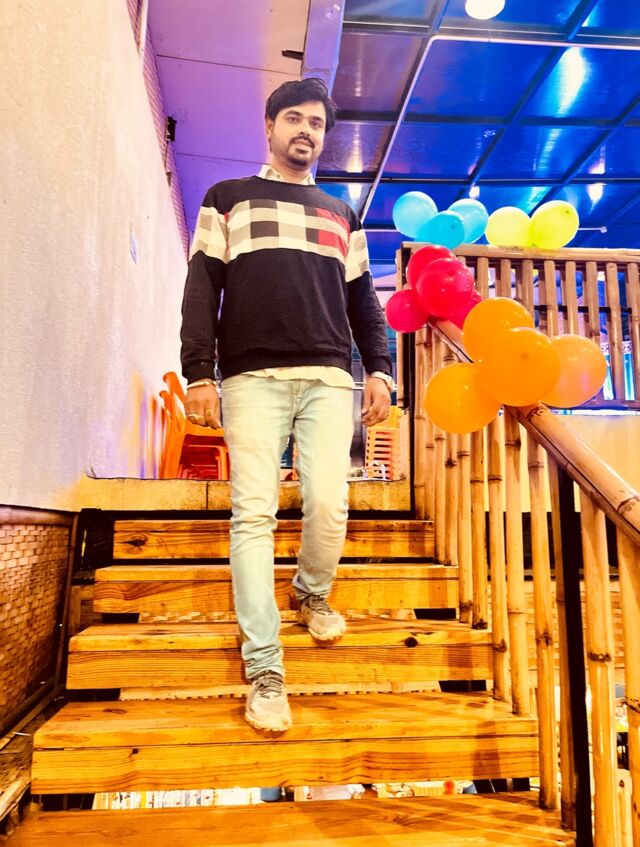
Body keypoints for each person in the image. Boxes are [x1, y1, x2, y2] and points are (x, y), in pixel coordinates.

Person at [180, 77, 393, 732]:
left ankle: (310, 593)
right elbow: (201, 287)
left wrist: (380, 369)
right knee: (254, 513)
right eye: (294, 118)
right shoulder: (227, 198)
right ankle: (265, 668)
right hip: (250, 379)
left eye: (317, 123)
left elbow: (363, 301)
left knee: (329, 501)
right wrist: (198, 372)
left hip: (328, 377)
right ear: (269, 126)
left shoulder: (341, 212)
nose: (306, 130)